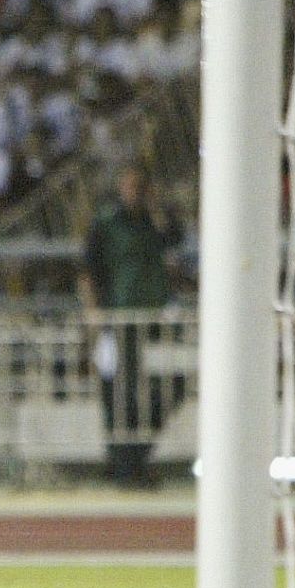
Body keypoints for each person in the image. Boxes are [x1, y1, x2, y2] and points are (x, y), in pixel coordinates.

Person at [78, 164, 182, 489]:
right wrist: (94, 317)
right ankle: (124, 464)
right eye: (129, 186)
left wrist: (156, 209)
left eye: (140, 186)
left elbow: (175, 239)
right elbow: (87, 271)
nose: (134, 192)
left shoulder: (154, 222)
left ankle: (134, 458)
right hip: (118, 321)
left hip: (155, 321)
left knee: (168, 388)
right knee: (117, 392)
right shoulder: (107, 223)